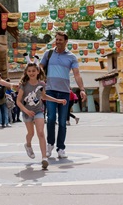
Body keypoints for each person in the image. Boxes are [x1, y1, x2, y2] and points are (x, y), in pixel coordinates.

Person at [40, 31, 86, 159]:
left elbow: (77, 74)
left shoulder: (71, 57)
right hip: (50, 90)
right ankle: (50, 145)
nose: (58, 42)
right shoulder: (48, 54)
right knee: (50, 119)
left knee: (62, 122)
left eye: (61, 40)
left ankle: (61, 148)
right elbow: (40, 68)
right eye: (57, 39)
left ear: (66, 41)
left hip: (65, 92)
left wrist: (82, 89)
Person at [17, 62, 67, 170]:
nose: (31, 73)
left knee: (40, 133)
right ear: (26, 72)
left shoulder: (41, 84)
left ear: (38, 71)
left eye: (33, 71)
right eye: (29, 71)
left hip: (39, 111)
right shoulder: (24, 85)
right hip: (27, 112)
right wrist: (26, 110)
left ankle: (44, 158)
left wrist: (57, 100)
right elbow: (18, 101)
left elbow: (43, 96)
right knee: (31, 133)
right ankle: (28, 145)